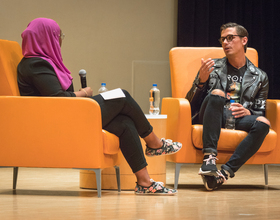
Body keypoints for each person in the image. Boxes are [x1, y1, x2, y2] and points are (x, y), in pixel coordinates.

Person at [17, 18, 182, 195]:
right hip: (57, 122)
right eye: (58, 35)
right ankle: (154, 143)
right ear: (46, 38)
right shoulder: (35, 64)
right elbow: (58, 99)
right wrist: (85, 94)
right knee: (122, 96)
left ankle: (145, 183)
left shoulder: (44, 62)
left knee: (125, 123)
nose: (60, 40)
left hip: (66, 114)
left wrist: (80, 96)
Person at [186, 22, 270, 190]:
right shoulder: (212, 67)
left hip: (237, 117)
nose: (225, 42)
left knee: (263, 123)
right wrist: (200, 82)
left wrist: (249, 111)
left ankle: (224, 173)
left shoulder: (260, 76)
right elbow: (190, 105)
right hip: (211, 114)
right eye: (223, 39)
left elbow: (260, 110)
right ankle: (209, 159)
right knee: (217, 94)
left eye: (230, 38)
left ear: (244, 40)